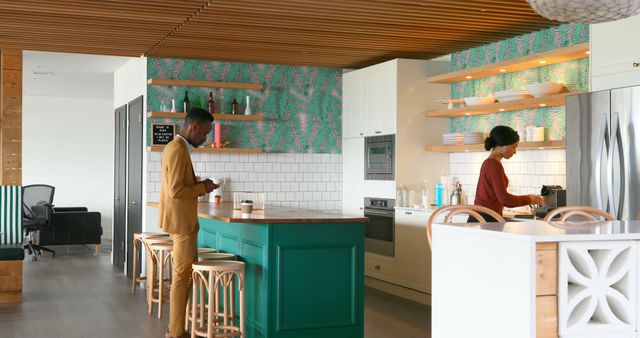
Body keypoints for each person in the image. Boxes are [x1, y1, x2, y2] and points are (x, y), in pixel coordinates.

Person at [158, 107, 217, 338]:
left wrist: (201, 183)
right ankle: (175, 332)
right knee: (181, 278)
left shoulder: (179, 147)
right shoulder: (177, 149)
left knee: (186, 276)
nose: (205, 138)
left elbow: (179, 184)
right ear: (193, 127)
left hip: (183, 222)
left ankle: (178, 328)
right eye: (204, 133)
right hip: (181, 224)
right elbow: (175, 190)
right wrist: (203, 187)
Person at [470, 125, 543, 222]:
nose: (515, 151)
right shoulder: (494, 165)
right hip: (486, 219)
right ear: (503, 147)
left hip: (482, 217)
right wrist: (530, 199)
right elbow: (504, 199)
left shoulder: (489, 162)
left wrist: (529, 199)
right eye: (513, 147)